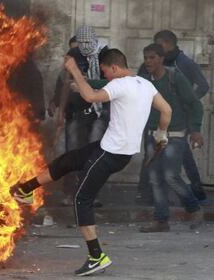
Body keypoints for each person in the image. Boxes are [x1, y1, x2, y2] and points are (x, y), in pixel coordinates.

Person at [11, 49, 172, 276]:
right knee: (69, 160)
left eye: (106, 72)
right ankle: (27, 189)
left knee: (81, 198)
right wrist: (161, 134)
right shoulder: (144, 84)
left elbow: (90, 97)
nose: (106, 77)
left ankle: (96, 256)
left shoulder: (119, 84)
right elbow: (166, 110)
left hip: (110, 154)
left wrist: (75, 70)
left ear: (115, 68)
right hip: (117, 152)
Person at [137, 30, 210, 205]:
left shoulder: (182, 64)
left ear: (167, 46)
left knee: (175, 168)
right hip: (155, 125)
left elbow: (202, 87)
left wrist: (184, 103)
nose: (149, 60)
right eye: (147, 57)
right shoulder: (148, 69)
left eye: (159, 47)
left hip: (177, 124)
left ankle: (195, 196)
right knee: (154, 164)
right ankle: (151, 200)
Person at [49, 27, 109, 206]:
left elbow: (113, 82)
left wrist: (87, 81)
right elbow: (66, 84)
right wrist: (61, 112)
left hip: (99, 112)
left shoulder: (105, 54)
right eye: (81, 43)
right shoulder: (73, 55)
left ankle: (91, 195)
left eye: (87, 43)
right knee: (73, 154)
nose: (84, 47)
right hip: (77, 113)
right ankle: (70, 194)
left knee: (95, 154)